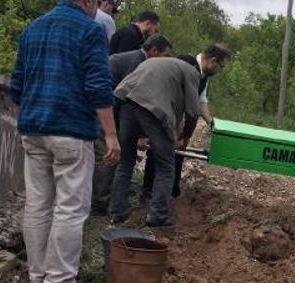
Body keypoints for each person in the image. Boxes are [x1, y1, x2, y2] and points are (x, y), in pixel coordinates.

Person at [10, 0, 120, 283]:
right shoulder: (90, 30)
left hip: (33, 128)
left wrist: (25, 122)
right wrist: (111, 134)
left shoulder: (32, 28)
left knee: (37, 203)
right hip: (70, 130)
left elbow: (16, 84)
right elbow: (98, 85)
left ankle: (38, 275)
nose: (97, 9)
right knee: (70, 207)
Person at [109, 57, 201, 227]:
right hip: (153, 110)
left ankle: (117, 212)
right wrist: (185, 137)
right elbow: (194, 112)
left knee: (125, 163)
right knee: (166, 166)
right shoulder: (191, 71)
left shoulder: (153, 62)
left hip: (126, 104)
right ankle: (158, 215)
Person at [91, 34, 173, 215]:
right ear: (154, 50)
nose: (165, 61)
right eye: (165, 55)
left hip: (109, 106)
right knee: (107, 155)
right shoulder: (138, 62)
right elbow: (131, 97)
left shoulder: (135, 59)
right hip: (104, 108)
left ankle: (106, 201)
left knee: (113, 156)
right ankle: (100, 205)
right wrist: (118, 130)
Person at [142, 44, 232, 200]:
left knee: (178, 153)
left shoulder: (204, 77)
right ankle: (149, 191)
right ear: (213, 61)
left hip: (180, 119)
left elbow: (200, 101)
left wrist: (211, 123)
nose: (220, 71)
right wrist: (182, 132)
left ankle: (171, 192)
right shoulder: (186, 63)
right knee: (159, 151)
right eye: (221, 67)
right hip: (165, 112)